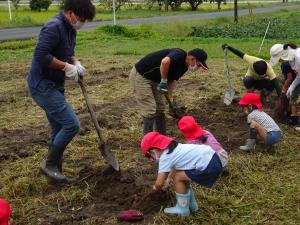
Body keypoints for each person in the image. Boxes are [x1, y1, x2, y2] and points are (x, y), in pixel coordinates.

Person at [27, 0, 96, 182]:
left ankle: (55, 172)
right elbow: (41, 56)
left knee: (58, 127)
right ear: (70, 13)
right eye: (81, 18)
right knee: (71, 124)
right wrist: (66, 67)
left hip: (55, 84)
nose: (82, 22)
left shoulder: (70, 29)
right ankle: (49, 164)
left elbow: (68, 53)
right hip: (42, 85)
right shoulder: (54, 27)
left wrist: (75, 63)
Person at [140, 132, 223, 216]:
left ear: (153, 152)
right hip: (214, 159)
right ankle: (192, 205)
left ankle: (182, 209)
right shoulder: (176, 148)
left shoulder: (165, 157)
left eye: (150, 157)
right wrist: (168, 178)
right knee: (182, 177)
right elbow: (176, 168)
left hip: (208, 167)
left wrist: (155, 188)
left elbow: (159, 183)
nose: (151, 160)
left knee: (178, 177)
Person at [129, 48, 208, 135]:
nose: (198, 68)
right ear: (192, 59)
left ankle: (162, 136)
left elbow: (171, 80)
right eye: (199, 65)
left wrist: (171, 99)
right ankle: (148, 140)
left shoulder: (184, 68)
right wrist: (163, 80)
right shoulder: (179, 54)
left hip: (154, 79)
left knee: (160, 108)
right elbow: (165, 62)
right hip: (141, 76)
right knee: (150, 109)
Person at [270, 43, 300, 125]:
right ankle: (294, 119)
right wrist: (292, 86)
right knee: (293, 97)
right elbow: (298, 74)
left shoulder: (298, 57)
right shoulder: (291, 60)